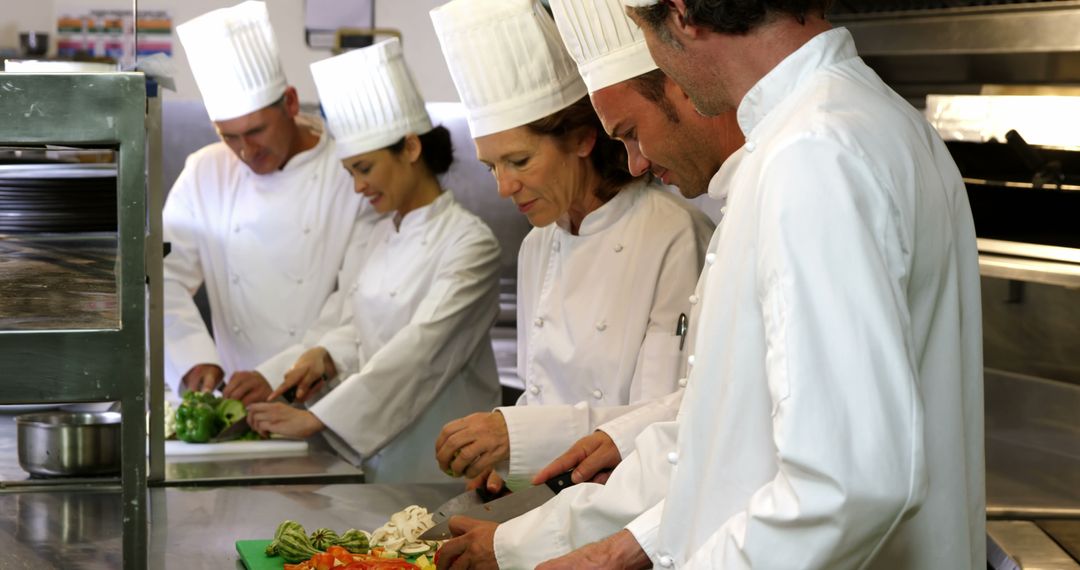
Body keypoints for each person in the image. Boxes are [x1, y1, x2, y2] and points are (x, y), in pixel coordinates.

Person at [442, 0, 986, 567]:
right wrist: (615, 551)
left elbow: (846, 487)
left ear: (679, 16)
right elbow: (734, 440)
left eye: (629, 132)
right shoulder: (855, 120)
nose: (632, 165)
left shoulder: (812, 153)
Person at [430, 0, 715, 493]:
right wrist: (509, 466)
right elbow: (543, 396)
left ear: (584, 139)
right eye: (490, 167)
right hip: (553, 500)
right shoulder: (537, 245)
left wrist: (517, 437)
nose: (504, 187)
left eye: (518, 160)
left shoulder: (674, 233)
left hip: (630, 511)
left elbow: (669, 417)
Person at [245, 38, 503, 484]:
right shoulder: (374, 231)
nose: (358, 188)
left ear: (410, 148)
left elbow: (421, 349)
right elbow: (348, 322)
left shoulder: (470, 243)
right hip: (367, 461)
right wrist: (322, 354)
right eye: (350, 173)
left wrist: (321, 418)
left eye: (364, 169)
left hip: (437, 464)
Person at [165, 0, 374, 405]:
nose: (245, 151)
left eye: (256, 130)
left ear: (291, 103)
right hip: (234, 402)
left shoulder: (350, 172)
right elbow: (162, 277)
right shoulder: (205, 172)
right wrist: (192, 359)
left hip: (327, 398)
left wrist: (278, 371)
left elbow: (357, 298)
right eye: (229, 136)